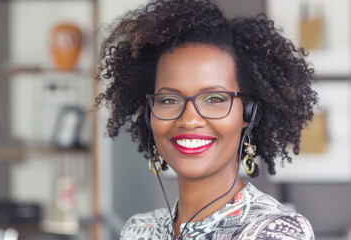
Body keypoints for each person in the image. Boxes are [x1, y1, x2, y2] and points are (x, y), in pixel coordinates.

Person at [95, 0, 317, 239]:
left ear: (248, 113)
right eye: (169, 100)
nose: (189, 120)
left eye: (214, 99)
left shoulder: (276, 231)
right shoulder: (138, 230)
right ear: (149, 115)